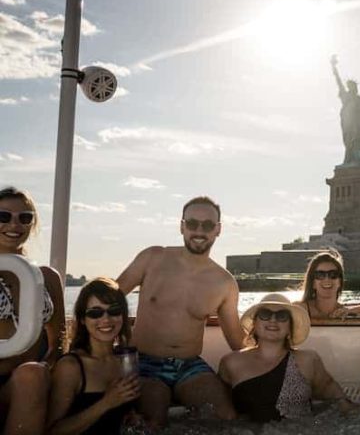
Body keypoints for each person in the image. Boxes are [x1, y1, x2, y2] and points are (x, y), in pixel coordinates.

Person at [116, 195, 243, 427]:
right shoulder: (153, 258)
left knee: (226, 418)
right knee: (152, 422)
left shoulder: (224, 282)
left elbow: (237, 341)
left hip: (189, 364)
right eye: (193, 223)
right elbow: (109, 297)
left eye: (207, 225)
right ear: (182, 226)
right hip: (144, 362)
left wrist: (280, 342)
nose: (199, 231)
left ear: (218, 230)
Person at [219, 293, 354, 423]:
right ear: (255, 323)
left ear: (290, 326)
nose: (273, 320)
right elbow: (219, 412)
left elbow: (336, 397)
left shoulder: (308, 360)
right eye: (265, 314)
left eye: (281, 316)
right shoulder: (231, 363)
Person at [0, 186, 65, 435]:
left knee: (33, 375)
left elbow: (58, 340)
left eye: (25, 217)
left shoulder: (46, 277)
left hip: (26, 381)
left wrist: (51, 365)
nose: (14, 225)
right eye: (3, 216)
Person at [46, 278, 139, 435]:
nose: (106, 319)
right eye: (95, 313)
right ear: (82, 319)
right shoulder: (71, 367)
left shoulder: (124, 361)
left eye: (114, 310)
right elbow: (51, 431)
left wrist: (130, 416)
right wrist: (106, 403)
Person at [295, 249, 360, 320]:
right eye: (320, 275)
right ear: (313, 283)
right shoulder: (299, 309)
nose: (327, 279)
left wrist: (356, 310)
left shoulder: (346, 310)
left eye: (333, 274)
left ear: (339, 281)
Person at [331, 54, 360, 166]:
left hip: (358, 127)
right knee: (350, 143)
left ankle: (359, 162)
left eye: (354, 86)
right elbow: (339, 83)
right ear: (349, 87)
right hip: (348, 125)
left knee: (359, 143)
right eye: (351, 86)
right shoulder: (346, 97)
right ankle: (349, 161)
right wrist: (334, 68)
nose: (354, 88)